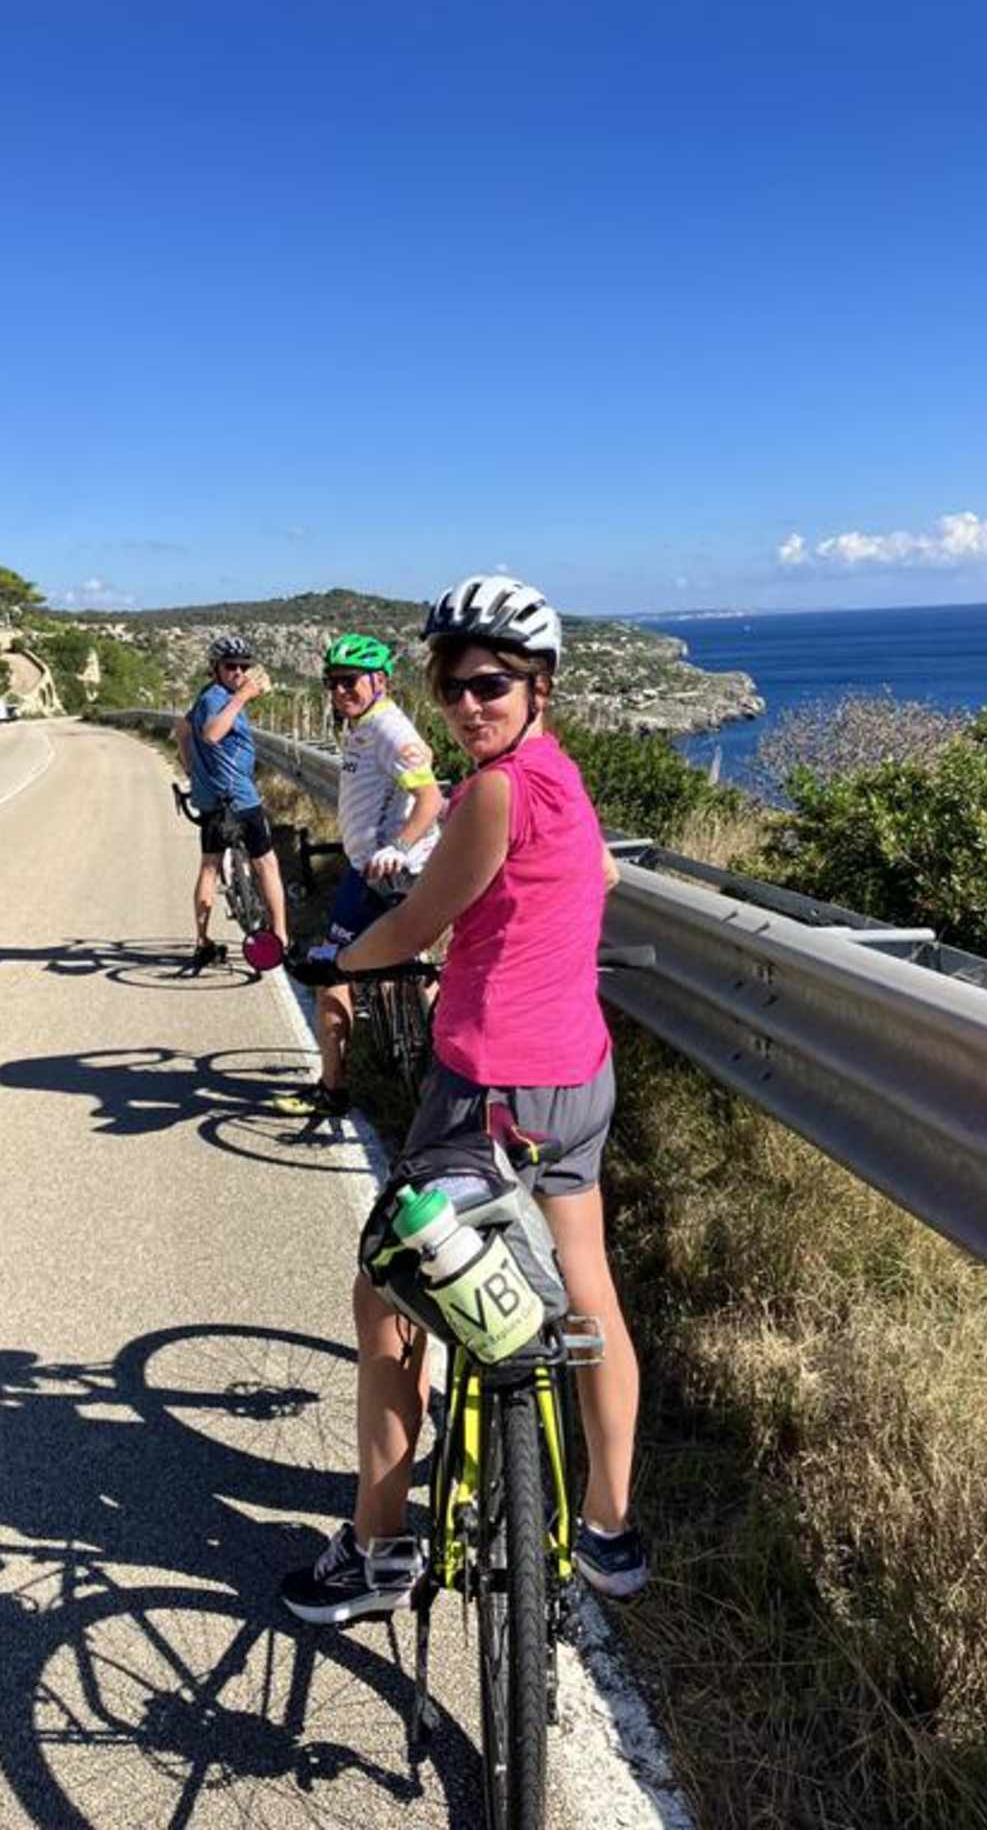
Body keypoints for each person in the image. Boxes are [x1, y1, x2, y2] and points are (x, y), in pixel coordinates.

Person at [281, 575, 647, 1624]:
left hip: (488, 1085)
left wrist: (333, 961)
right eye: (450, 687)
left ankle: (378, 1547)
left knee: (388, 1292)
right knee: (586, 1295)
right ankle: (610, 1532)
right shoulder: (562, 778)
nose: (465, 704)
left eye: (489, 683)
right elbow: (589, 884)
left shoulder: (493, 791)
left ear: (539, 684)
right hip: (579, 1075)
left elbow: (417, 928)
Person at [279, 633, 443, 1118]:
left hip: (387, 873)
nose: (339, 691)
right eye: (331, 683)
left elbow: (431, 800)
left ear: (380, 680)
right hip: (370, 867)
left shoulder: (390, 730)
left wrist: (398, 847)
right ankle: (438, 1072)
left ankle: (333, 1089)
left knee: (333, 972)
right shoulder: (361, 724)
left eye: (349, 681)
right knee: (415, 966)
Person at [175, 632, 288, 976]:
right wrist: (243, 696)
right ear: (216, 668)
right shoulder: (218, 700)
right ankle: (281, 937)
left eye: (243, 667)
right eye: (231, 666)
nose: (238, 672)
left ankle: (203, 942)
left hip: (210, 799)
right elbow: (212, 733)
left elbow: (183, 731)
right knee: (266, 863)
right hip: (238, 797)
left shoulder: (203, 699)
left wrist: (193, 771)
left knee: (210, 867)